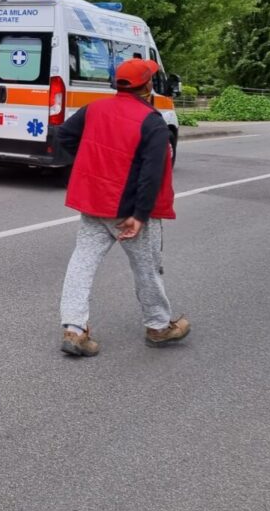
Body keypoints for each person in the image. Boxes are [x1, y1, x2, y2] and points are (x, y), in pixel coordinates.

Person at [55, 57, 190, 357]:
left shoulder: (94, 108)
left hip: (94, 202)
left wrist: (89, 161)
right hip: (129, 211)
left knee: (82, 263)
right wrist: (140, 215)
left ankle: (74, 330)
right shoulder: (152, 122)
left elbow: (63, 135)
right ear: (148, 86)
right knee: (147, 268)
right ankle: (158, 327)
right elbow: (152, 174)